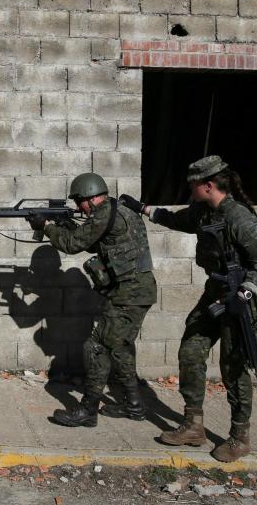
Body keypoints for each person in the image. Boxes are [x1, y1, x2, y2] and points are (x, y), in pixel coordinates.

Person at [119, 155, 257, 462]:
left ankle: (240, 437)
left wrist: (241, 296)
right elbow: (178, 220)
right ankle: (193, 425)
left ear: (209, 185)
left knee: (233, 367)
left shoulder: (240, 219)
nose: (190, 193)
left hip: (241, 299)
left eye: (193, 187)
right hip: (215, 292)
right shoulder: (204, 212)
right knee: (190, 351)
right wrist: (143, 209)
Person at [27, 172, 156, 427]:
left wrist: (46, 226)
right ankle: (134, 405)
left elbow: (73, 244)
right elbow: (93, 240)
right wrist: (61, 223)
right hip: (134, 291)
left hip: (128, 294)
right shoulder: (117, 210)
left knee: (96, 347)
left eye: (79, 202)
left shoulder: (105, 213)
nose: (78, 208)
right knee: (119, 347)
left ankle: (88, 410)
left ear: (89, 197)